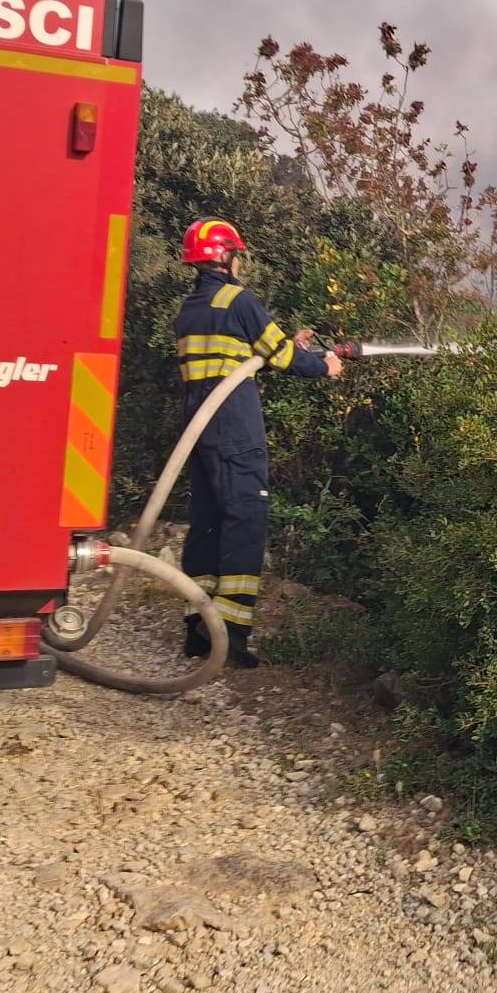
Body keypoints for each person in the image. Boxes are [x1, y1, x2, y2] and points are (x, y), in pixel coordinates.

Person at [171, 217, 342, 667]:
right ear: (226, 256)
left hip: (199, 431)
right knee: (246, 519)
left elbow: (241, 357)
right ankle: (231, 636)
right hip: (234, 428)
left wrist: (290, 344)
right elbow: (280, 356)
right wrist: (323, 366)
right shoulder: (239, 300)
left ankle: (197, 631)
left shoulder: (191, 308)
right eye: (237, 255)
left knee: (207, 522)